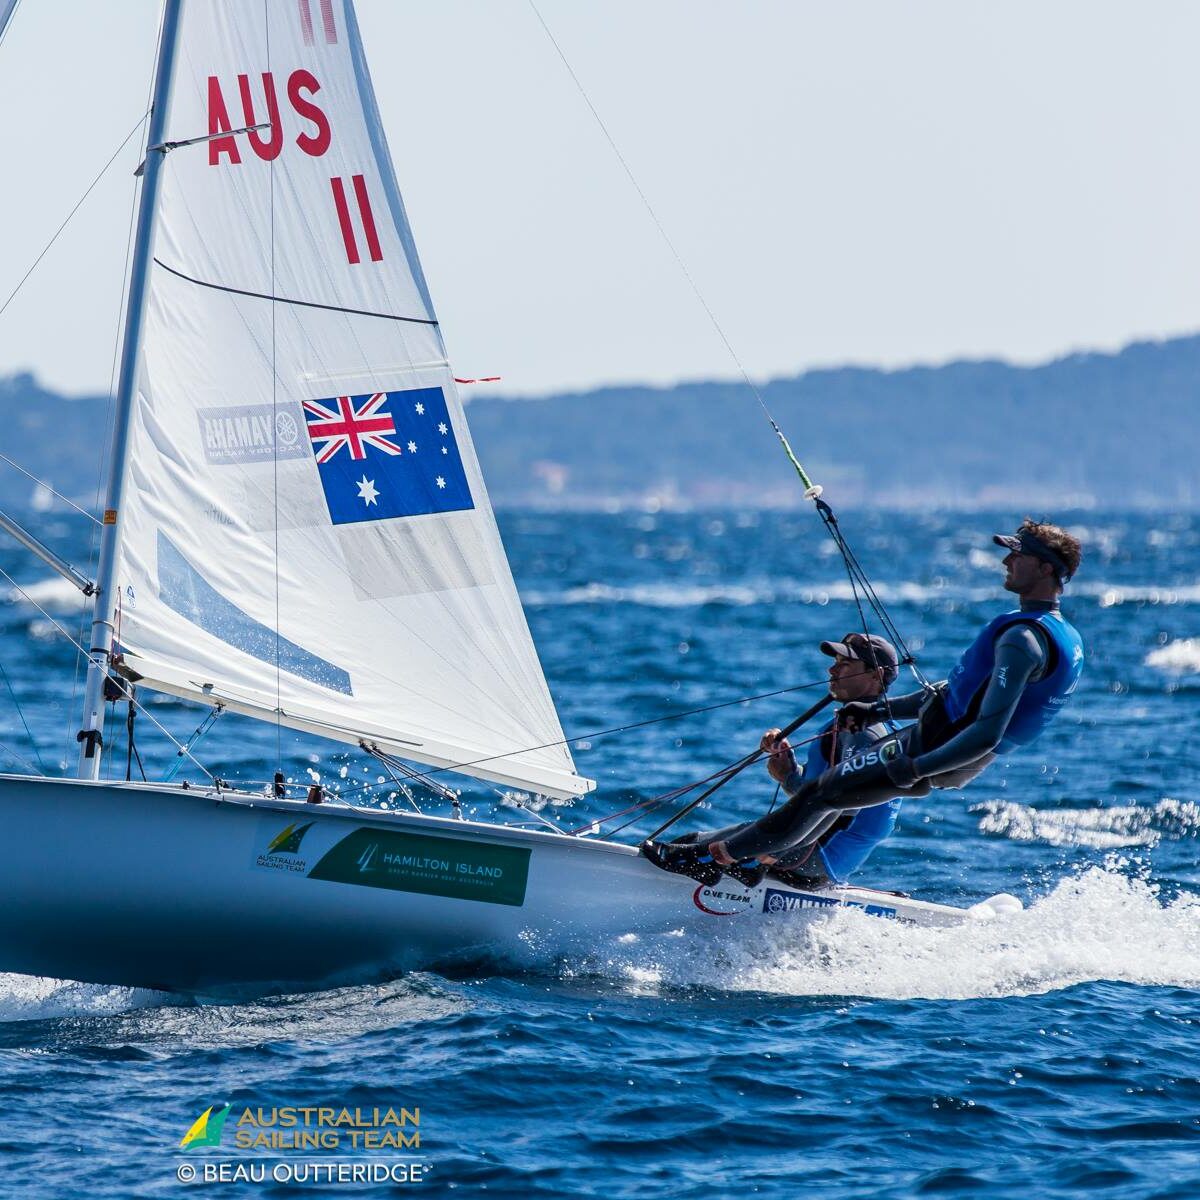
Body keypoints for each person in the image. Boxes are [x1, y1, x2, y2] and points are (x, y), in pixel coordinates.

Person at [644, 518, 1084, 885]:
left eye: (1017, 554)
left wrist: (916, 767)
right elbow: (954, 698)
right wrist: (878, 708)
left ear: (1045, 569)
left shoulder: (1023, 639)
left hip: (938, 748)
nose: (1006, 561)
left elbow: (987, 732)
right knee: (825, 794)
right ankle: (723, 855)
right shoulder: (1050, 632)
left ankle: (711, 860)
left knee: (822, 794)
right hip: (934, 737)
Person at [643, 632, 921, 888]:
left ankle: (742, 865)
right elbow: (817, 796)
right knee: (702, 844)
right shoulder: (848, 725)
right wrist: (789, 772)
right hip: (817, 851)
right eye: (835, 662)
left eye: (845, 664)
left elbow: (839, 809)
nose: (832, 670)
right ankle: (747, 866)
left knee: (688, 847)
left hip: (815, 854)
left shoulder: (864, 734)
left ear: (876, 675)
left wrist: (765, 850)